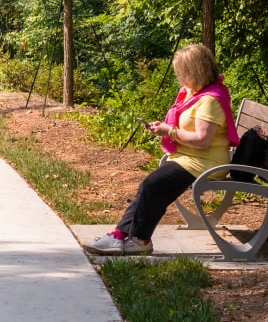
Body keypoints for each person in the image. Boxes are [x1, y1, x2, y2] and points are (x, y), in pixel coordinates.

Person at [87, 44, 239, 256]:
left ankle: (140, 240)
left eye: (182, 73)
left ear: (195, 71)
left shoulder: (210, 100)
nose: (180, 78)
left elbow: (203, 140)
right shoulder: (194, 93)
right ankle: (120, 235)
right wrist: (164, 128)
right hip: (189, 157)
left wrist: (170, 131)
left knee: (153, 185)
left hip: (206, 162)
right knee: (149, 186)